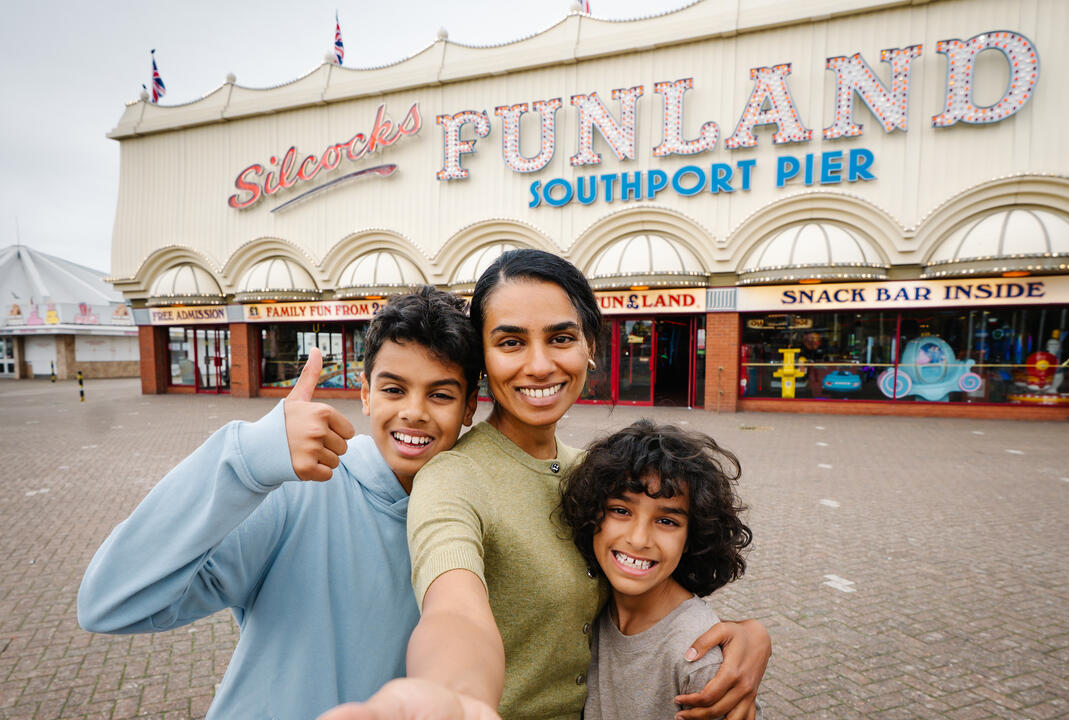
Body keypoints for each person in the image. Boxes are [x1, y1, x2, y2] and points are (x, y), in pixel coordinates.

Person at [322, 249, 771, 720]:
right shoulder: (452, 478)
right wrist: (456, 696)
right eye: (511, 342)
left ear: (589, 346)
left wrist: (739, 633)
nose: (538, 365)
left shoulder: (595, 473)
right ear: (484, 362)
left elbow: (652, 581)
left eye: (560, 337)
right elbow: (453, 606)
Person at [77, 287, 483, 720]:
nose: (414, 412)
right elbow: (108, 603)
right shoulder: (297, 492)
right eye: (394, 389)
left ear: (469, 407)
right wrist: (248, 459)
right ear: (365, 393)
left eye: (440, 394)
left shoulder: (472, 517)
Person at [560, 419, 755, 720]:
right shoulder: (591, 604)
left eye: (667, 521)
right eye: (621, 511)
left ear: (692, 537)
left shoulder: (699, 661)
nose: (638, 539)